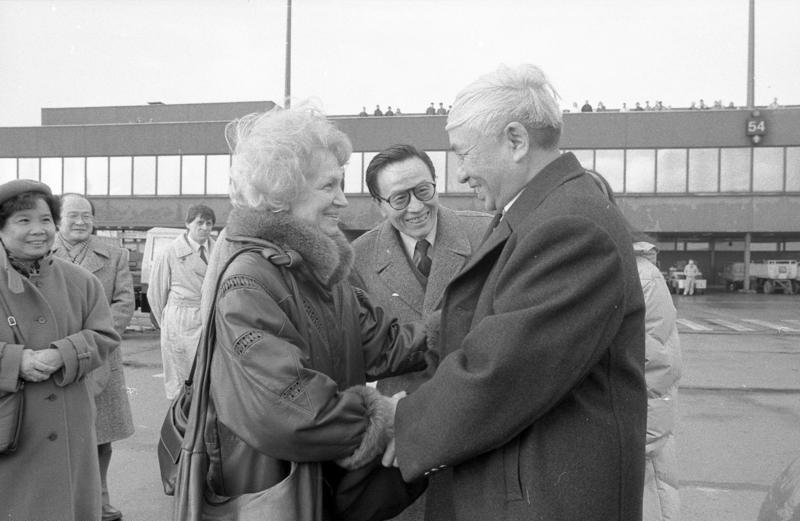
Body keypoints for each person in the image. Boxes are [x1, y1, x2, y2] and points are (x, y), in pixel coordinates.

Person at [385, 64, 647, 521]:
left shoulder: (571, 226)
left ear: (516, 140)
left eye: (464, 154)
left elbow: (500, 372)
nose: (461, 174)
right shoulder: (546, 212)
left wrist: (399, 423)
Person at [196, 105, 432, 518]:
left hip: (318, 488)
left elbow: (384, 344)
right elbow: (289, 407)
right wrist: (387, 417)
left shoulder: (321, 271)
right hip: (274, 495)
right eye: (329, 186)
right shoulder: (249, 281)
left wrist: (471, 319)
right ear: (283, 191)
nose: (342, 199)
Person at [351, 144, 491, 521]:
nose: (415, 207)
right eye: (399, 198)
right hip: (404, 440)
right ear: (378, 203)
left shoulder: (486, 234)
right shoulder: (359, 257)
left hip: (477, 431)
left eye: (423, 191)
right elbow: (363, 353)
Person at [0, 179, 119, 521]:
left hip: (72, 428)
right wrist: (14, 361)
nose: (38, 230)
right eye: (23, 220)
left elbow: (105, 336)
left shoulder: (81, 281)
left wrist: (65, 353)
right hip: (12, 433)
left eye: (45, 220)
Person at [52, 193, 135, 521]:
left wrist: (91, 342)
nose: (81, 222)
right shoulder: (41, 251)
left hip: (101, 358)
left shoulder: (114, 254)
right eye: (73, 215)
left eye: (86, 216)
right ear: (59, 218)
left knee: (101, 436)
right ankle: (61, 500)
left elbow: (124, 303)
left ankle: (100, 499)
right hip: (55, 359)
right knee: (55, 434)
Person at [632, 239, 682, 521]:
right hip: (634, 436)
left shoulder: (641, 276)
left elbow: (657, 369)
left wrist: (644, 443)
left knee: (653, 501)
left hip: (643, 441)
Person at [147, 204, 216, 400]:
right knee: (182, 380)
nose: (204, 227)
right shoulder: (170, 252)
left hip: (209, 318)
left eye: (209, 223)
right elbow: (156, 293)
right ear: (188, 224)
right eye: (199, 222)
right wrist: (168, 323)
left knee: (209, 379)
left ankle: (204, 425)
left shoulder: (219, 251)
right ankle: (181, 425)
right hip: (181, 320)